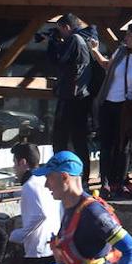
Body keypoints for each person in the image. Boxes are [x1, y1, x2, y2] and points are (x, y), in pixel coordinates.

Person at [92, 21, 132, 198]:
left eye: (129, 34)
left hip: (126, 105)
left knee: (123, 146)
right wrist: (95, 50)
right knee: (106, 144)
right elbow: (107, 65)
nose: (126, 37)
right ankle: (104, 182)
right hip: (108, 102)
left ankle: (119, 183)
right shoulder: (120, 52)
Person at [46, 14, 100, 182]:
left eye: (60, 30)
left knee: (62, 138)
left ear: (66, 27)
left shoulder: (74, 39)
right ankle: (82, 178)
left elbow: (57, 59)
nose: (60, 34)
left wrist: (52, 42)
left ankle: (63, 174)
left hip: (72, 96)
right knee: (79, 139)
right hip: (81, 96)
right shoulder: (85, 38)